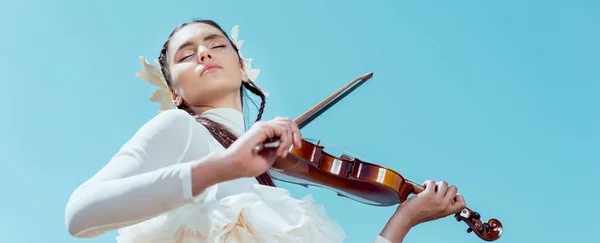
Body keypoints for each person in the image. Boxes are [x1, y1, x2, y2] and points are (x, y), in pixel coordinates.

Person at [64, 19, 467, 243]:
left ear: (242, 66)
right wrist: (222, 167)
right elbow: (81, 214)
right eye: (186, 55)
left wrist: (406, 218)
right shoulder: (179, 127)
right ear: (175, 93)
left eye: (216, 44)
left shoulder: (267, 187)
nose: (203, 52)